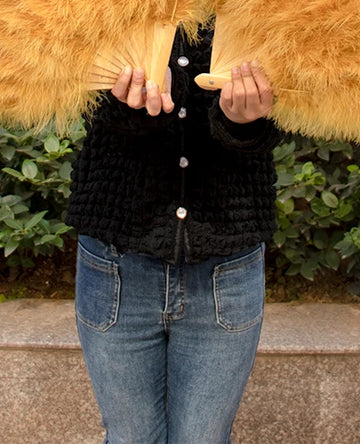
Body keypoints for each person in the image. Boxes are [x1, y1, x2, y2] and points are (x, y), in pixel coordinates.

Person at [66, 22, 282, 444]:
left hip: (226, 265)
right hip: (117, 263)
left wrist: (243, 121)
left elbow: (291, 110)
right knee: (130, 438)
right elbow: (70, 92)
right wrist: (129, 105)